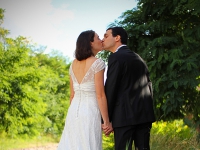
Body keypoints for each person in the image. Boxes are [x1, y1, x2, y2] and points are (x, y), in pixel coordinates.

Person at [102, 27, 156, 150]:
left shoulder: (116, 57)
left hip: (124, 117)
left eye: (106, 36)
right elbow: (148, 86)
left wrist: (106, 119)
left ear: (117, 37)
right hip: (144, 116)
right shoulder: (139, 58)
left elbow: (111, 89)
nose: (103, 39)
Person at [57, 30, 111, 150]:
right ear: (90, 43)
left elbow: (72, 95)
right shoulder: (98, 63)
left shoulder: (73, 64)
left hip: (73, 111)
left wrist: (73, 113)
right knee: (89, 143)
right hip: (90, 111)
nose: (101, 40)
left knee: (73, 143)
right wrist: (106, 122)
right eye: (97, 38)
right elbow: (100, 95)